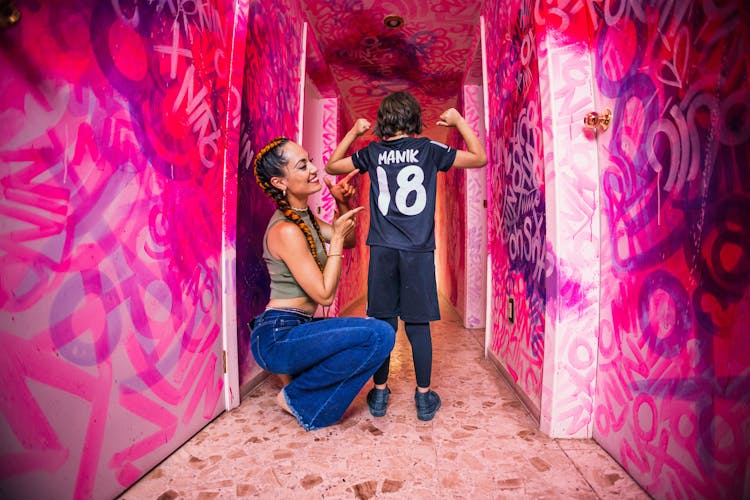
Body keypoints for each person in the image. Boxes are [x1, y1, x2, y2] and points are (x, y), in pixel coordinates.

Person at [325, 91, 487, 421]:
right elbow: (478, 158)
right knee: (418, 325)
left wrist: (354, 133)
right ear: (414, 119)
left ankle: (381, 393)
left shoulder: (373, 152)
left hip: (383, 249)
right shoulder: (428, 149)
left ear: (383, 122)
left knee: (383, 322)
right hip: (418, 251)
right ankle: (424, 398)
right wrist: (458, 121)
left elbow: (332, 166)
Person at [250, 137, 396, 431]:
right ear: (280, 183)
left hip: (298, 326)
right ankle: (297, 398)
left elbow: (350, 240)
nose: (314, 169)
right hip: (278, 335)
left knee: (370, 334)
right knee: (379, 334)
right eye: (302, 165)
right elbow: (325, 295)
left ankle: (300, 390)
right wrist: (338, 238)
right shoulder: (287, 230)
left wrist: (341, 202)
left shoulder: (306, 220)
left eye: (310, 161)